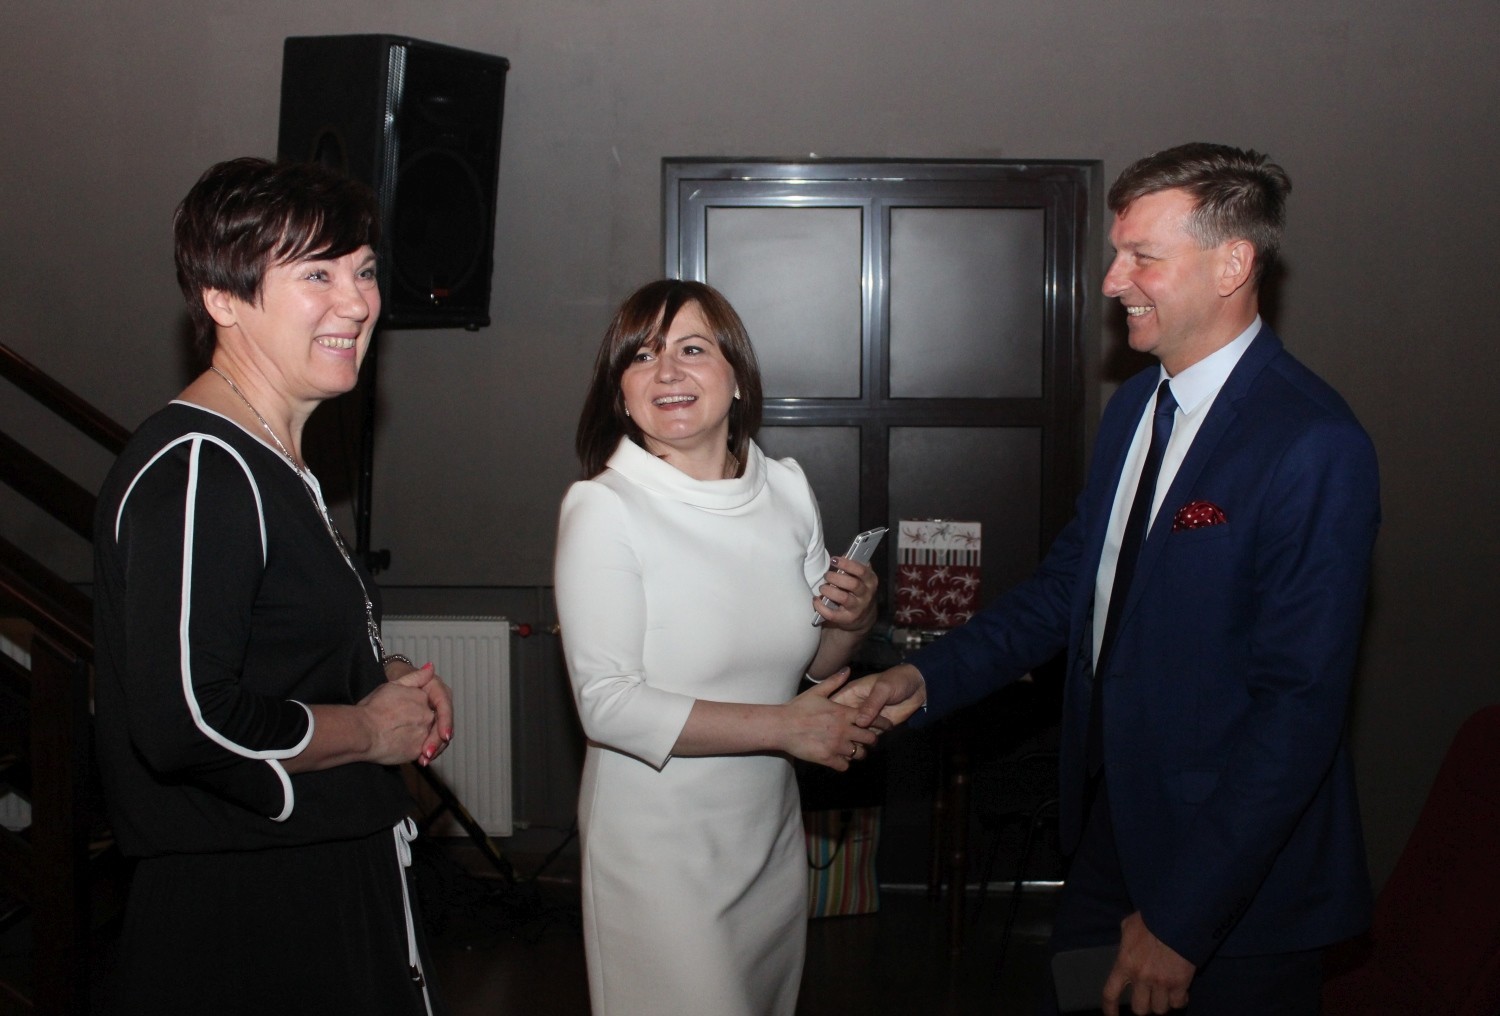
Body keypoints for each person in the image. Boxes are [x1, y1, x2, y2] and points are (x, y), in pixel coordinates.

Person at [838, 143, 1379, 1015]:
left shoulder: (1313, 442)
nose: (1110, 280)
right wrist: (923, 678)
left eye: (1142, 257)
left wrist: (1181, 922)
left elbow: (1297, 711)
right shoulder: (1135, 406)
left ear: (1233, 264)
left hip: (1233, 888)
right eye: (1117, 253)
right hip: (1107, 842)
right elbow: (1070, 591)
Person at [93, 157, 452, 1016]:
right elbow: (187, 719)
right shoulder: (201, 465)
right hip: (252, 914)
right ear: (222, 298)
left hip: (315, 881)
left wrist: (381, 676)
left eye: (364, 271)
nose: (357, 302)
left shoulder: (271, 459)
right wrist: (367, 730)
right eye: (317, 274)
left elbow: (270, 649)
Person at [553, 279, 880, 1016]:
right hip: (658, 852)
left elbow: (810, 664)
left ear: (737, 378)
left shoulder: (786, 489)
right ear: (621, 395)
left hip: (767, 838)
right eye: (642, 357)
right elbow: (607, 706)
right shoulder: (604, 508)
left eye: (693, 350)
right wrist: (785, 727)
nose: (667, 371)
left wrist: (854, 620)